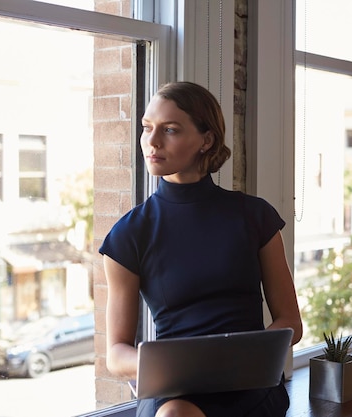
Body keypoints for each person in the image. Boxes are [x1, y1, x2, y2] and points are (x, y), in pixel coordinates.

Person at [99, 81, 303, 417]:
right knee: (175, 413)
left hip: (248, 384)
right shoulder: (128, 234)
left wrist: (244, 358)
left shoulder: (255, 216)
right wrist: (167, 368)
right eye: (147, 128)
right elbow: (116, 353)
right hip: (172, 390)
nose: (152, 141)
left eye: (171, 130)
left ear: (206, 140)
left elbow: (291, 321)